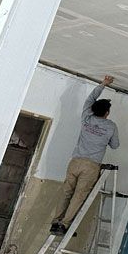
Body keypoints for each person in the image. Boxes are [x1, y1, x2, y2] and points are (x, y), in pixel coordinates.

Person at [51, 76, 119, 235]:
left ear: (94, 109)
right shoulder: (110, 126)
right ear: (107, 113)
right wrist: (104, 139)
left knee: (66, 192)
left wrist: (104, 83)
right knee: (79, 195)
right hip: (91, 166)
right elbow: (115, 145)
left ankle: (55, 222)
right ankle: (64, 224)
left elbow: (90, 98)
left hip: (75, 162)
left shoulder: (86, 117)